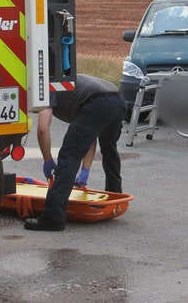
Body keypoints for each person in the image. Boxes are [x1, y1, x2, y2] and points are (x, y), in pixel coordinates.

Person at [25, 74, 124, 231]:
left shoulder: (45, 88)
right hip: (117, 99)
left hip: (96, 102)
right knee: (109, 147)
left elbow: (43, 129)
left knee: (69, 156)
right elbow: (90, 136)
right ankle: (115, 197)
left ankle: (53, 218)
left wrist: (48, 159)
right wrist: (85, 170)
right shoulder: (68, 85)